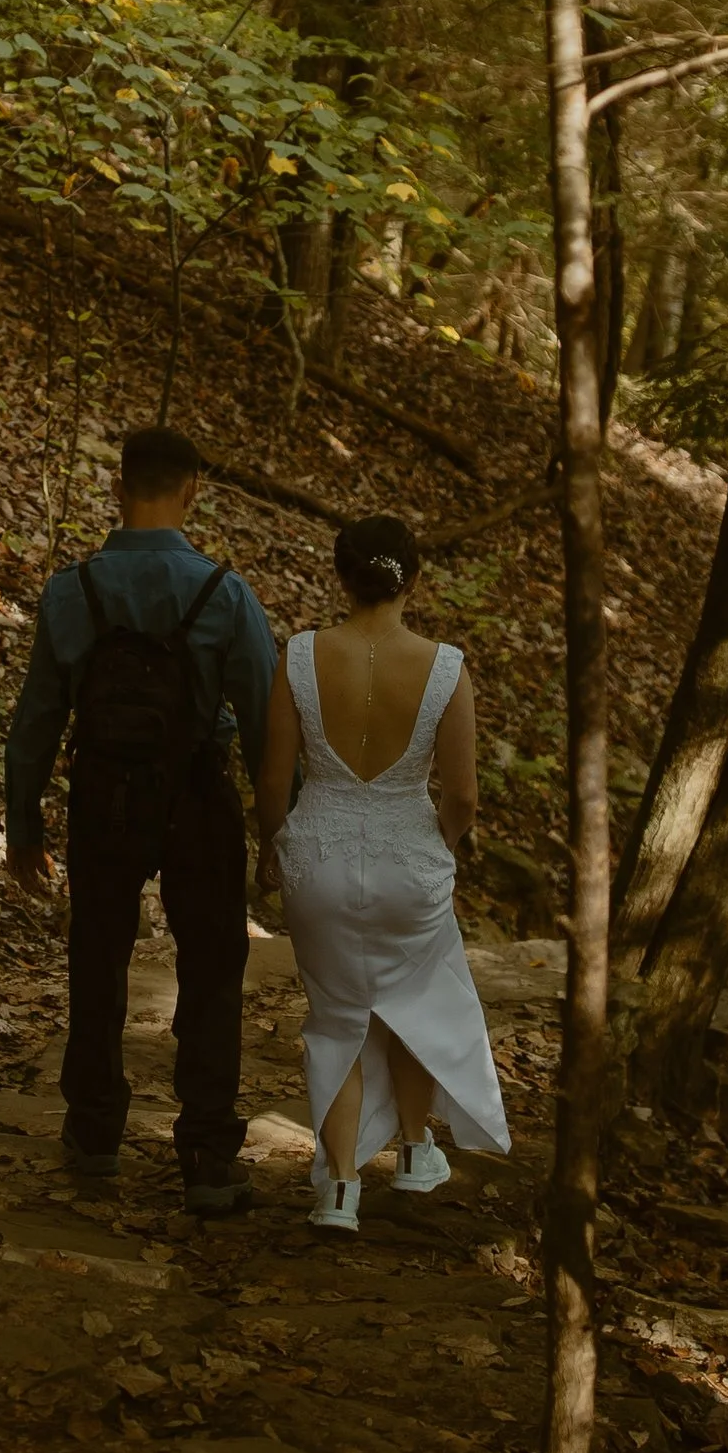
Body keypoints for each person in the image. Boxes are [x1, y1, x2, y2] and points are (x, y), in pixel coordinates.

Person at [3, 424, 277, 1220]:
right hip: (198, 799)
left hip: (102, 798)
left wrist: (25, 827)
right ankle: (207, 1157)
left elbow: (36, 720)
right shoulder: (223, 593)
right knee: (213, 970)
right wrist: (276, 831)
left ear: (117, 488)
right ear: (192, 490)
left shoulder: (70, 591)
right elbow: (264, 720)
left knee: (98, 959)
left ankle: (93, 1136)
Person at [255, 512, 510, 1235]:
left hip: (320, 860)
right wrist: (443, 846)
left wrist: (270, 848)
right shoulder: (446, 669)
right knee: (416, 1003)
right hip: (408, 862)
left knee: (337, 1018)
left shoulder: (300, 656)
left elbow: (274, 780)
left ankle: (337, 1191)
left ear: (341, 575)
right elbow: (461, 795)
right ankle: (414, 1151)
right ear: (413, 578)